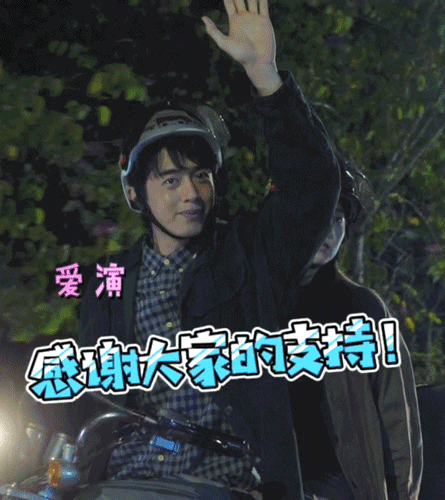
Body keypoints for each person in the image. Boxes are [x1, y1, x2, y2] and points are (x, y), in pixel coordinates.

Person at [77, 0, 339, 498]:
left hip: (227, 484)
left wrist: (266, 77)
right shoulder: (109, 285)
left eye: (201, 175)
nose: (191, 193)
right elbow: (86, 400)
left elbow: (313, 187)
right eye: (170, 179)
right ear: (135, 193)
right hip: (127, 482)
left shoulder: (251, 254)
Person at [286, 161, 423, 500]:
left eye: (337, 219)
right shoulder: (254, 303)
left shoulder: (362, 308)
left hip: (342, 485)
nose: (328, 230)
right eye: (317, 215)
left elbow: (397, 417)